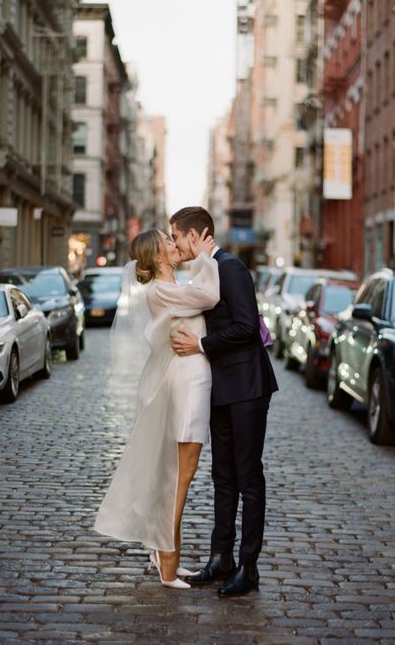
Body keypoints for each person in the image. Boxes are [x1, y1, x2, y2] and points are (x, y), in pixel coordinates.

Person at [93, 227, 220, 589]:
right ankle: (167, 557)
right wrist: (206, 257)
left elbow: (199, 297)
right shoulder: (161, 290)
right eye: (169, 241)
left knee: (179, 470)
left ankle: (162, 546)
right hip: (186, 381)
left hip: (192, 376)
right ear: (159, 255)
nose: (175, 244)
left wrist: (199, 263)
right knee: (181, 471)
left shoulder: (172, 287)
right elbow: (209, 296)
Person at [170, 206, 279, 598]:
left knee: (248, 476)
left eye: (177, 237)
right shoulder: (202, 270)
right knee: (222, 476)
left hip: (248, 386)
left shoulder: (230, 267)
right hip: (220, 388)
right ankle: (221, 557)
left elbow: (247, 326)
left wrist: (200, 344)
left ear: (196, 235)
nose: (175, 244)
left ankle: (248, 567)